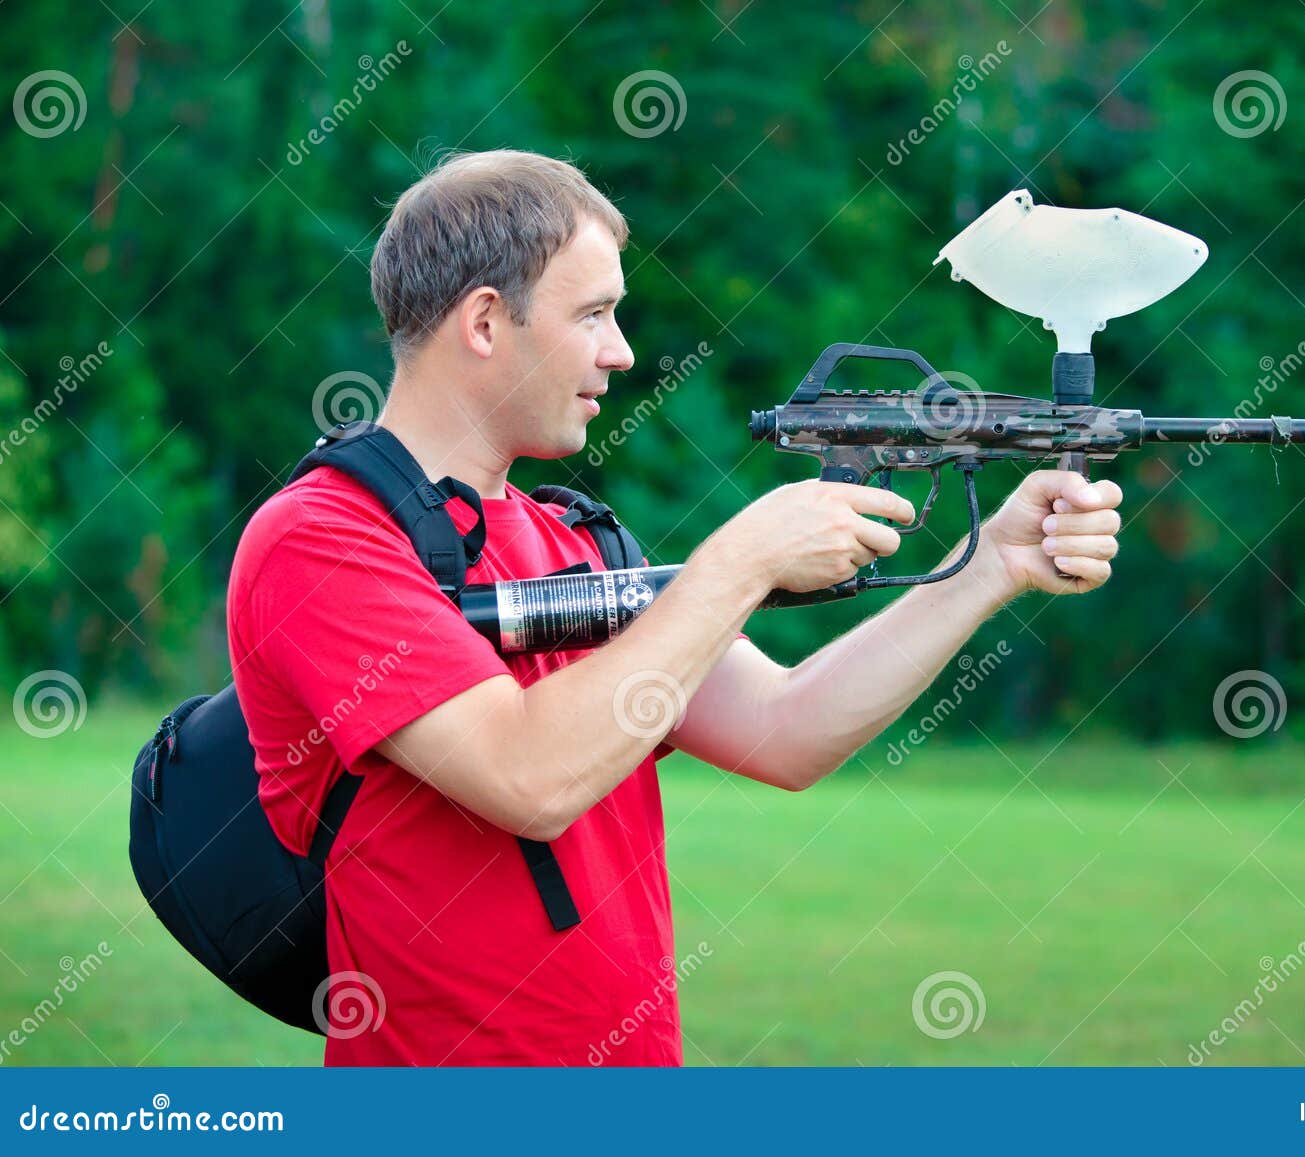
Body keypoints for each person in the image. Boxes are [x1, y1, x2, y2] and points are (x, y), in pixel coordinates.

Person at [226, 149, 1124, 1065]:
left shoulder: (571, 538)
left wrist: (991, 568)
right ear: (487, 322)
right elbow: (526, 776)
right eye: (594, 315)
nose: (620, 351)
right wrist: (737, 563)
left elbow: (786, 727)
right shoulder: (320, 537)